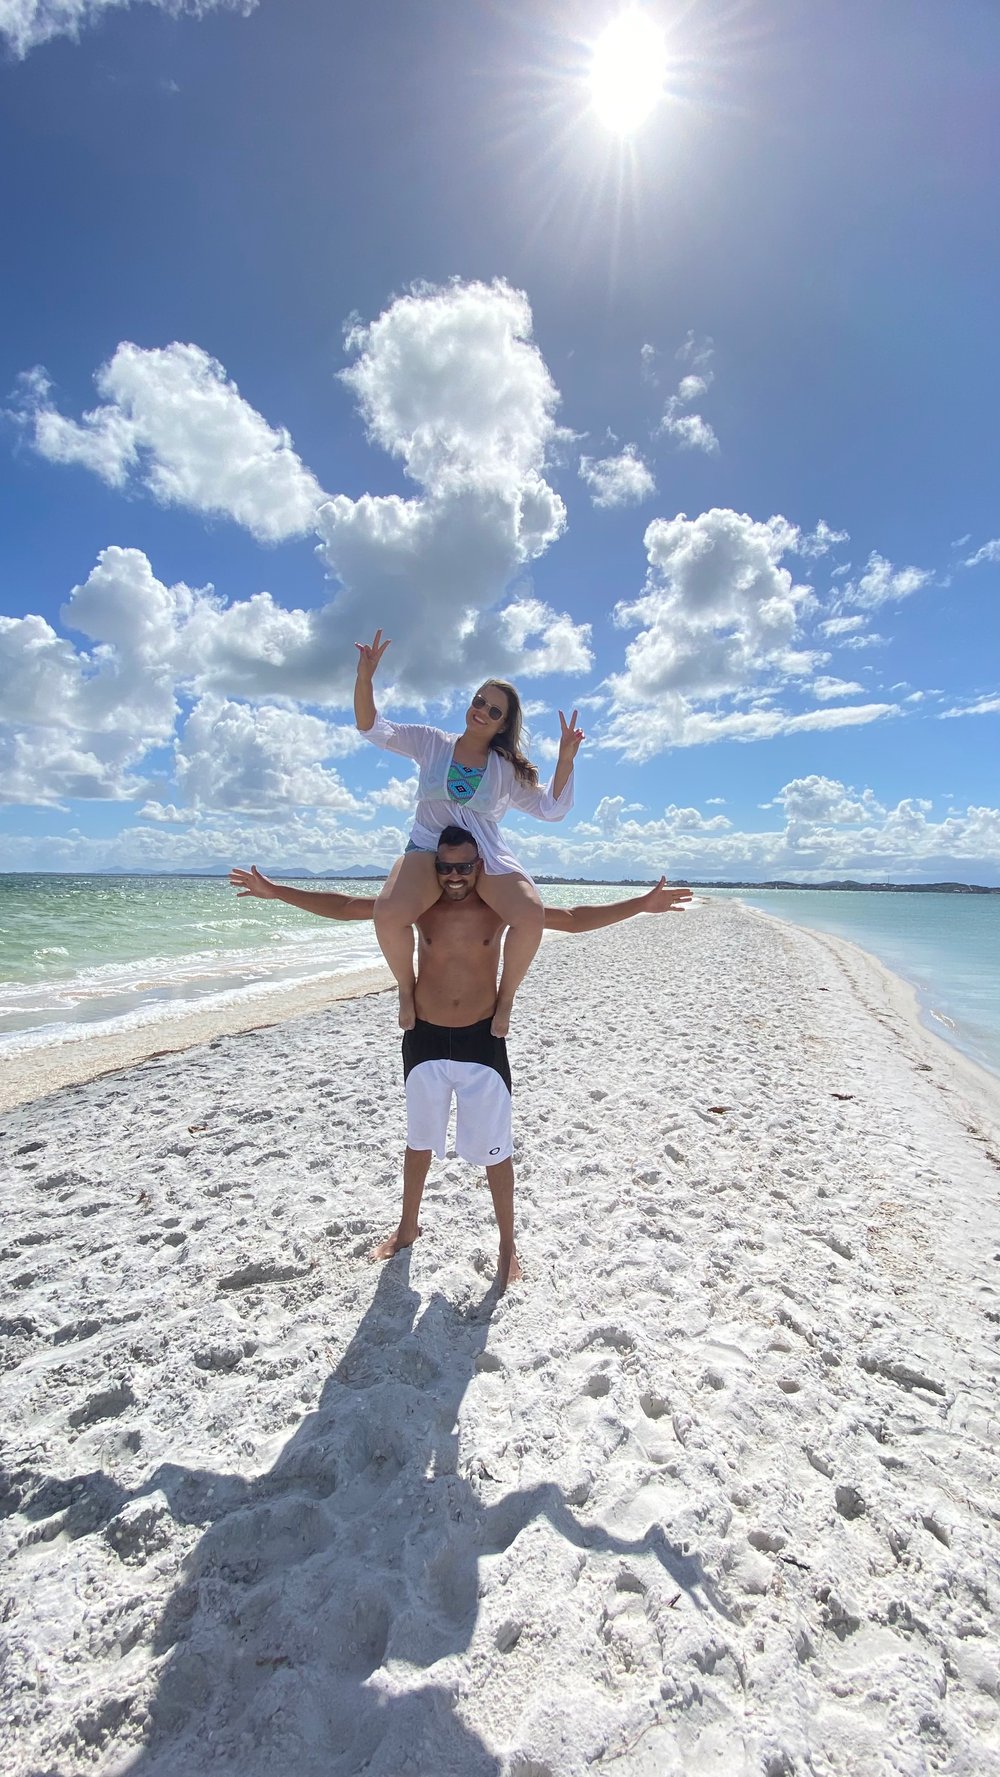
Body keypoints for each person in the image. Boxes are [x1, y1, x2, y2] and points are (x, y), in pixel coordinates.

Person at [231, 833, 691, 1292]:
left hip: (482, 1038)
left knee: (497, 1151)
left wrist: (639, 904)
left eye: (464, 867)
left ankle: (507, 1244)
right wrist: (277, 892)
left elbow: (571, 918)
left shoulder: (498, 910)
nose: (454, 877)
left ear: (479, 866)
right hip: (425, 1037)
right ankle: (407, 1227)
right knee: (418, 1143)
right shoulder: (421, 908)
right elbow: (349, 906)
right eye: (445, 868)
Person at [354, 629, 584, 1040]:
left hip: (484, 855)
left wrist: (565, 760)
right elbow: (372, 728)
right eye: (479, 701)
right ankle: (406, 990)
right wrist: (365, 678)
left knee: (530, 915)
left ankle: (506, 998)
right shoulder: (431, 742)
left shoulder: (506, 770)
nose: (482, 711)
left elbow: (551, 808)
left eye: (494, 711)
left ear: (502, 725)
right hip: (427, 847)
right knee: (387, 914)